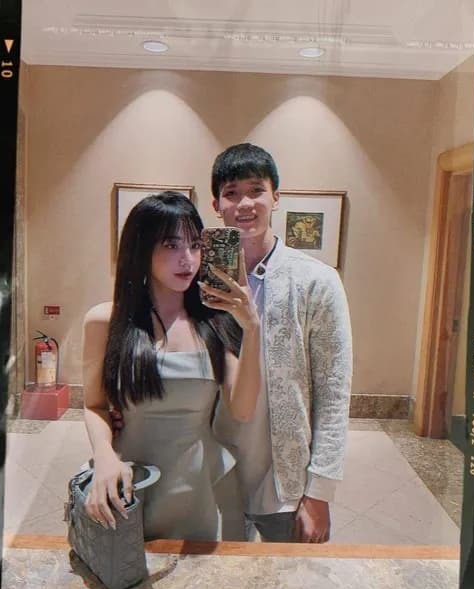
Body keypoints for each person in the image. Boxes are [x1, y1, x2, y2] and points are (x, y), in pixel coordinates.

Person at [82, 191, 260, 541]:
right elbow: (94, 405)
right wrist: (104, 456)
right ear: (141, 249)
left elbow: (242, 409)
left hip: (200, 488)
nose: (187, 259)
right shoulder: (105, 321)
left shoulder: (215, 322)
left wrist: (252, 327)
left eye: (195, 246)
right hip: (128, 479)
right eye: (171, 245)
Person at [210, 143, 353, 543]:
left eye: (256, 190)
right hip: (213, 470)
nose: (244, 204)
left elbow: (333, 390)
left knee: (291, 575)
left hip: (285, 480)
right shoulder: (200, 283)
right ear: (216, 205)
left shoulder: (316, 281)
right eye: (231, 193)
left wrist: (320, 490)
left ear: (276, 197)